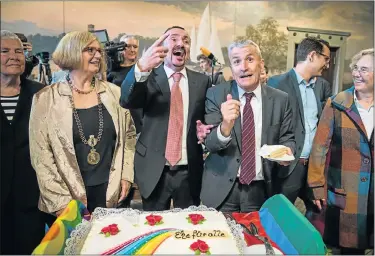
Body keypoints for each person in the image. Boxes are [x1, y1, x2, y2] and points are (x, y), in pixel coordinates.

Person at [29, 31, 136, 216]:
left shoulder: (115, 93)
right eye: (89, 50)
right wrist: (61, 203)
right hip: (66, 198)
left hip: (110, 194)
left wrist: (126, 176)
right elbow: (41, 156)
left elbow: (129, 137)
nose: (97, 55)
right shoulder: (46, 98)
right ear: (71, 53)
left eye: (98, 51)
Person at [197, 39, 295, 212]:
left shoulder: (281, 99)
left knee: (256, 239)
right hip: (221, 189)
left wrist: (287, 151)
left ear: (261, 64)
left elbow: (288, 138)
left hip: (262, 191)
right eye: (236, 61)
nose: (243, 67)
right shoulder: (216, 94)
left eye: (250, 59)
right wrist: (226, 124)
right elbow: (210, 143)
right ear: (232, 68)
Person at [120, 26, 211, 211]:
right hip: (154, 169)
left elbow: (206, 119)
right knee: (153, 227)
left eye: (186, 41)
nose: (181, 44)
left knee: (187, 229)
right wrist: (141, 67)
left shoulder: (202, 81)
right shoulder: (148, 76)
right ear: (162, 45)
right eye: (174, 39)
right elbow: (126, 100)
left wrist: (208, 131)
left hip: (189, 170)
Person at [307, 48, 374, 254]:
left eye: (364, 69)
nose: (356, 73)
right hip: (348, 193)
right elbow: (319, 148)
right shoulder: (337, 104)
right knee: (347, 248)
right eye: (355, 68)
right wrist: (317, 186)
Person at [267, 37, 332, 204]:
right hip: (288, 168)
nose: (327, 65)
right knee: (280, 218)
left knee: (313, 218)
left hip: (313, 168)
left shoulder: (320, 86)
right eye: (325, 59)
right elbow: (269, 127)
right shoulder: (277, 83)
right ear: (311, 56)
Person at [0, 30, 46, 254]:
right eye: (5, 51)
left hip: (30, 199)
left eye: (18, 51)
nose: (14, 56)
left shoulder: (41, 94)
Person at [107, 35, 143, 134]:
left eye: (135, 47)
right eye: (128, 46)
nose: (132, 50)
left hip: (136, 124)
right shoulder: (112, 70)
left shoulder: (141, 70)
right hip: (116, 122)